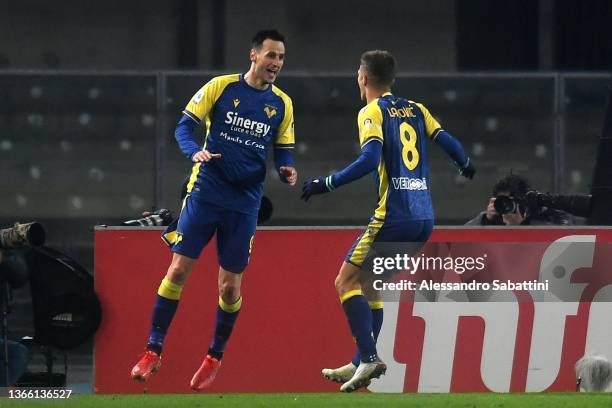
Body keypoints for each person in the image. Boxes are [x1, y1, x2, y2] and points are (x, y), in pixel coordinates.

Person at [130, 29, 297, 391]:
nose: (276, 64)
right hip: (206, 191)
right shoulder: (220, 87)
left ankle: (213, 358)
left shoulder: (282, 103)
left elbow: (283, 148)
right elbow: (184, 127)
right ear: (254, 55)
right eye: (271, 55)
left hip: (245, 202)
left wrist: (286, 168)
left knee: (230, 287)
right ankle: (152, 351)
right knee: (177, 270)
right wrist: (194, 150)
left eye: (281, 58)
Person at [301, 50, 475, 392]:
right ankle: (358, 360)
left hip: (394, 216)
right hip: (424, 218)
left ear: (363, 78)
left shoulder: (372, 111)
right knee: (370, 285)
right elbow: (448, 142)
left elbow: (369, 160)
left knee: (344, 282)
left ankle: (368, 357)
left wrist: (327, 183)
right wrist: (465, 164)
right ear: (392, 79)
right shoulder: (416, 109)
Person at [465, 174, 573, 226]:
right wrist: (485, 220)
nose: (507, 207)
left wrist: (522, 225)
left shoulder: (542, 214)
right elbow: (461, 242)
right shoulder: (493, 218)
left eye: (512, 201)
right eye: (503, 201)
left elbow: (562, 238)